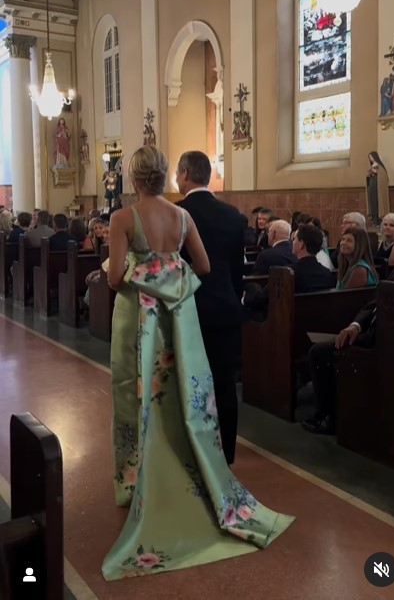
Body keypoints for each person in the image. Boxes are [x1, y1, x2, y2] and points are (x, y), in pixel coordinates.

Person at [102, 146, 294, 581]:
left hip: (139, 321)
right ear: (168, 175)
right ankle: (197, 469)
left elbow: (114, 278)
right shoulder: (182, 217)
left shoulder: (122, 219)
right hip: (178, 320)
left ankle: (136, 480)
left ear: (132, 179)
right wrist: (169, 272)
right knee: (184, 394)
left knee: (136, 393)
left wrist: (139, 270)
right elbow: (204, 267)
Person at [301, 223, 394, 435]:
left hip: (390, 345)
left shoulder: (362, 269)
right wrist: (355, 325)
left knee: (320, 353)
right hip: (372, 335)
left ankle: (329, 418)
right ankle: (330, 414)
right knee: (324, 347)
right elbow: (373, 303)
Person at [176, 151, 246, 466]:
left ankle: (192, 451)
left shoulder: (175, 213)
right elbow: (236, 273)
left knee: (188, 380)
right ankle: (226, 454)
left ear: (186, 173)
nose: (176, 180)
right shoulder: (234, 216)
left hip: (188, 310)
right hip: (227, 309)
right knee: (224, 383)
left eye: (178, 174)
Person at [366, 151, 390, 226]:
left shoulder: (380, 167)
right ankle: (374, 219)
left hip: (378, 189)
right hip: (372, 188)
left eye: (372, 157)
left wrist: (376, 172)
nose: (371, 159)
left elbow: (383, 176)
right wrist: (369, 174)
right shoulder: (372, 166)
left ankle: (379, 220)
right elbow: (368, 176)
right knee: (373, 204)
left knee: (378, 203)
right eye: (370, 157)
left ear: (375, 157)